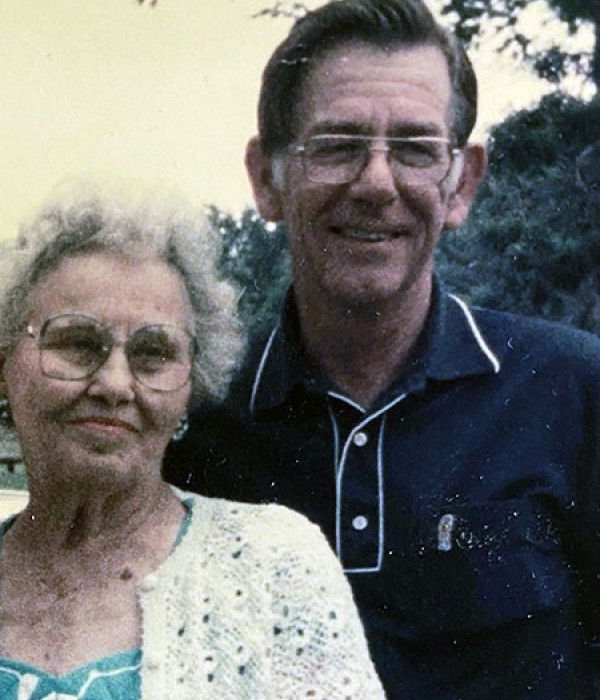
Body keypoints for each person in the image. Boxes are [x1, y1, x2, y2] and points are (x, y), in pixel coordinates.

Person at [163, 0, 600, 697]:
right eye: (336, 145)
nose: (375, 183)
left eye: (416, 149)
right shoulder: (195, 416)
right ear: (265, 179)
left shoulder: (572, 390)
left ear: (463, 183)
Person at [0, 185, 384, 699]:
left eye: (154, 352)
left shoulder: (274, 570)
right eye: (76, 342)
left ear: (190, 385)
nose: (115, 384)